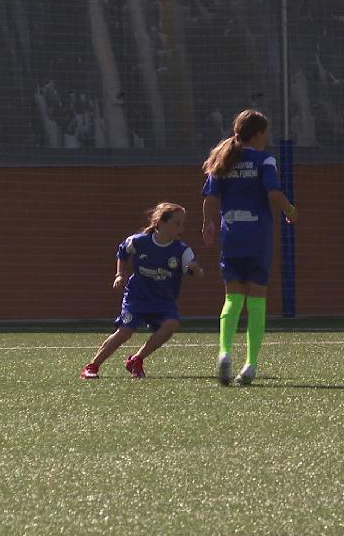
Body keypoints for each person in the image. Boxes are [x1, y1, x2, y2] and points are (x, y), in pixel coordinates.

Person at [202, 109, 297, 386]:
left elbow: (210, 197)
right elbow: (274, 193)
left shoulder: (223, 159)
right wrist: (290, 211)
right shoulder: (264, 159)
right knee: (257, 299)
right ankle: (250, 364)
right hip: (258, 234)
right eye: (265, 133)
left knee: (232, 297)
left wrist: (208, 223)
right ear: (257, 134)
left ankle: (224, 352)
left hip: (231, 234)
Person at [80, 202, 203, 379]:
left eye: (182, 224)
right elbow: (122, 252)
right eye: (177, 223)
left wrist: (197, 270)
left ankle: (137, 359)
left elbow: (195, 272)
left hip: (163, 299)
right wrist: (120, 274)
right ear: (160, 222)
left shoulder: (182, 250)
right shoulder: (139, 241)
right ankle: (92, 366)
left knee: (171, 324)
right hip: (137, 297)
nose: (181, 228)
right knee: (125, 331)